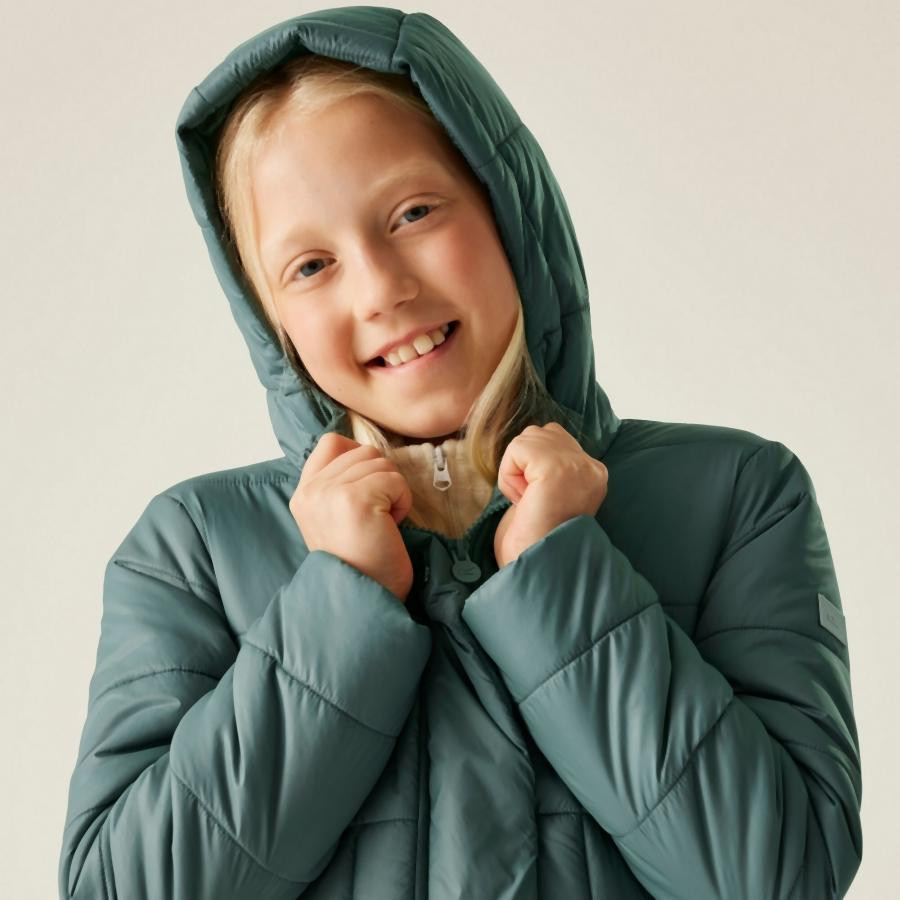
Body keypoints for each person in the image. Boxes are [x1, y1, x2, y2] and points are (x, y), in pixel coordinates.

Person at [57, 8, 863, 900]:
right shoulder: (192, 548)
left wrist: (561, 576)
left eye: (412, 213)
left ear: (507, 207)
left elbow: (781, 878)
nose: (380, 289)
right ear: (268, 318)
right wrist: (340, 606)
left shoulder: (738, 496)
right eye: (310, 266)